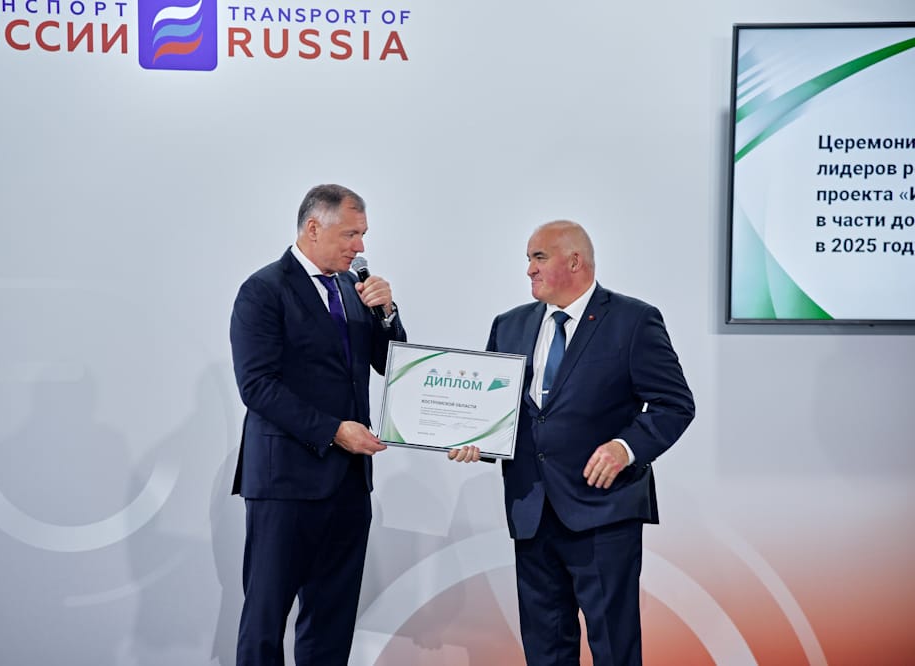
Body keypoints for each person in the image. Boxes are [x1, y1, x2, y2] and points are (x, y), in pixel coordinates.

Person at [449, 220, 694, 665]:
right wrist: (476, 439)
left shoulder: (633, 321)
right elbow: (494, 413)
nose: (529, 269)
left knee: (614, 648)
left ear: (575, 261)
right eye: (528, 259)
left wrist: (624, 447)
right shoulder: (509, 325)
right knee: (545, 649)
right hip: (532, 512)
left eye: (539, 257)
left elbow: (674, 404)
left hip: (603, 510)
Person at [229, 184, 406, 666]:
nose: (360, 246)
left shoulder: (353, 289)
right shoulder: (263, 290)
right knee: (265, 619)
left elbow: (390, 363)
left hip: (348, 483)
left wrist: (387, 314)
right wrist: (333, 430)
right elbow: (257, 386)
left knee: (332, 620)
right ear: (313, 228)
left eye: (363, 234)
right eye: (351, 234)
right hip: (285, 482)